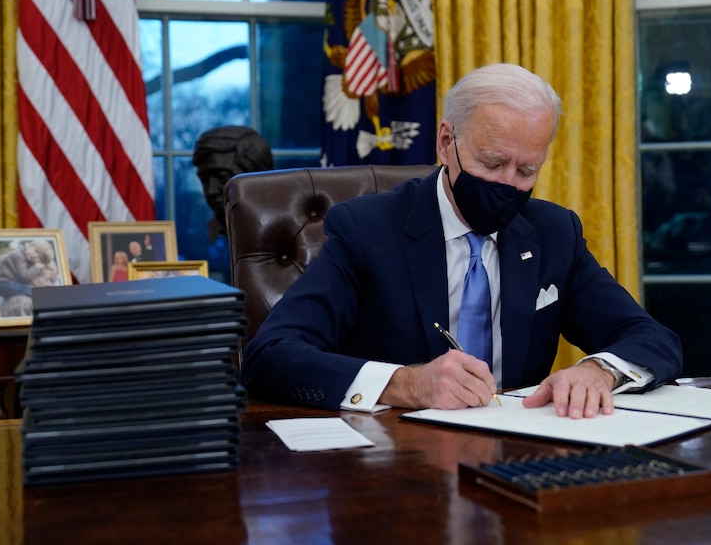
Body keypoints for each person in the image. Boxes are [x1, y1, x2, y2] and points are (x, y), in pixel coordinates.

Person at [241, 63, 683, 419]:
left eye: (526, 170)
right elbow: (270, 356)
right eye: (492, 163)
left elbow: (651, 337)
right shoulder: (366, 230)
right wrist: (405, 384)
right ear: (446, 142)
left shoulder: (553, 233)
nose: (508, 184)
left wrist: (599, 370)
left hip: (519, 456)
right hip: (396, 464)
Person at [191, 126, 274, 284]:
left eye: (222, 178)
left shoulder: (288, 233)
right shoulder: (197, 240)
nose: (211, 190)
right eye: (204, 180)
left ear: (257, 178)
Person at [0, 239, 59, 317]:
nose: (35, 256)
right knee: (29, 290)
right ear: (29, 245)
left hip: (5, 284)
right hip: (2, 283)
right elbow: (25, 276)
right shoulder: (18, 256)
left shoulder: (26, 257)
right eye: (48, 280)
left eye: (39, 258)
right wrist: (37, 267)